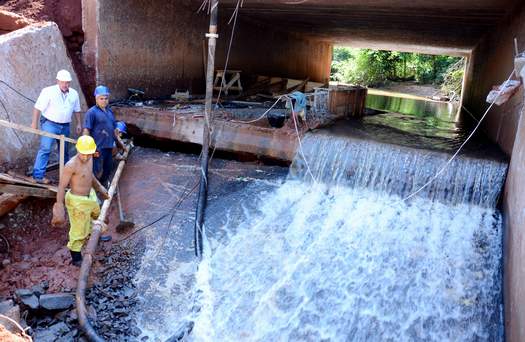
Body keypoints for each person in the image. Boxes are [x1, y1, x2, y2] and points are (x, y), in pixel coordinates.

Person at [51, 135, 109, 266]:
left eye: (88, 154)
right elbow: (61, 186)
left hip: (91, 196)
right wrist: (59, 206)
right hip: (77, 201)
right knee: (78, 229)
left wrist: (100, 187)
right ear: (78, 150)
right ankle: (76, 257)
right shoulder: (71, 165)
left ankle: (95, 236)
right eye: (82, 154)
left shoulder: (90, 158)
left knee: (96, 216)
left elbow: (90, 175)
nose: (85, 157)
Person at [31, 70, 82, 184]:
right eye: (63, 82)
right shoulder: (48, 91)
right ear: (57, 81)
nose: (65, 85)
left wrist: (79, 123)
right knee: (45, 148)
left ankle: (65, 176)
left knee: (64, 151)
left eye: (68, 82)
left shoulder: (74, 93)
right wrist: (34, 123)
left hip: (65, 125)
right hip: (50, 124)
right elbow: (37, 108)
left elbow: (77, 110)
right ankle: (38, 176)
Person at [82, 85, 124, 187]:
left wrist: (117, 144)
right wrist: (86, 148)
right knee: (96, 170)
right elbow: (86, 130)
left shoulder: (109, 112)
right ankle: (93, 191)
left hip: (108, 146)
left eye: (106, 98)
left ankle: (104, 185)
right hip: (97, 148)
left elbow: (113, 130)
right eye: (101, 98)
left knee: (108, 168)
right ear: (96, 98)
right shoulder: (91, 112)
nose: (104, 101)